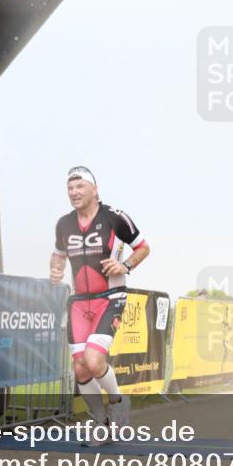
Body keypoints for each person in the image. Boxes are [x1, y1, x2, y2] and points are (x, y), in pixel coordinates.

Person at [50, 166, 150, 446]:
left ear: (95, 189)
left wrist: (125, 264)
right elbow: (57, 256)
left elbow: (143, 247)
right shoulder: (64, 223)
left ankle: (118, 404)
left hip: (111, 298)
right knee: (81, 369)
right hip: (79, 303)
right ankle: (101, 423)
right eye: (70, 188)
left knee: (94, 361)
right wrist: (55, 271)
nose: (74, 193)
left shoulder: (115, 217)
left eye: (79, 187)